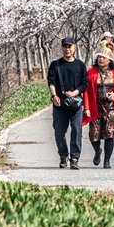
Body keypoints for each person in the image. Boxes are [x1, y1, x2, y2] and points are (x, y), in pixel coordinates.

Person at [47, 37, 88, 170]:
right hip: (60, 105)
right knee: (59, 132)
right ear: (61, 48)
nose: (67, 49)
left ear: (74, 47)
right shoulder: (56, 65)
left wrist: (75, 92)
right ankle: (63, 155)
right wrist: (54, 96)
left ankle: (74, 158)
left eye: (69, 46)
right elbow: (51, 82)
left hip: (76, 104)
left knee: (76, 130)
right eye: (65, 46)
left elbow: (84, 83)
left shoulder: (80, 65)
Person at [83, 51, 114, 169]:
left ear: (109, 60)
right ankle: (97, 151)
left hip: (111, 108)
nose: (101, 59)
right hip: (95, 107)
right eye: (99, 57)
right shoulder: (91, 73)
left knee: (110, 133)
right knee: (94, 134)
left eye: (103, 57)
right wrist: (86, 107)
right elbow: (86, 92)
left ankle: (107, 161)